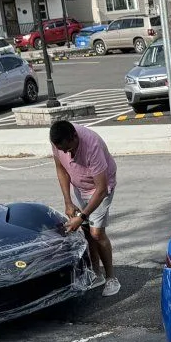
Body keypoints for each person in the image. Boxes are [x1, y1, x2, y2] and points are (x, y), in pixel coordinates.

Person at [49, 118, 120, 296]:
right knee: (88, 232)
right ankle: (96, 274)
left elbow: (101, 189)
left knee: (97, 233)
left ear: (74, 136)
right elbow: (61, 169)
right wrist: (68, 201)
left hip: (100, 188)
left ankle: (111, 278)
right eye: (62, 150)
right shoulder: (58, 139)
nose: (66, 153)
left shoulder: (92, 144)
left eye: (68, 148)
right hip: (81, 187)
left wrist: (81, 217)